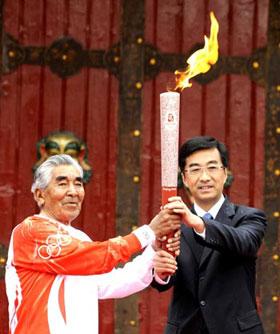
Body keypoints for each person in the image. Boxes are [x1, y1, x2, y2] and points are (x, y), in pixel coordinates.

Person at [5, 154, 180, 334]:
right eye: (62, 183)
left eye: (78, 183)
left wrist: (153, 249)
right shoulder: (29, 231)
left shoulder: (80, 238)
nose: (73, 191)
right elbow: (94, 257)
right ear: (39, 194)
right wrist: (148, 232)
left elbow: (116, 282)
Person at [152, 136, 267, 334]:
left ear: (225, 173)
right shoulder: (172, 223)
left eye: (212, 167)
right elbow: (162, 282)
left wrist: (198, 223)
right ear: (185, 178)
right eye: (195, 169)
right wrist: (160, 273)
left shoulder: (249, 217)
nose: (204, 177)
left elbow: (244, 242)